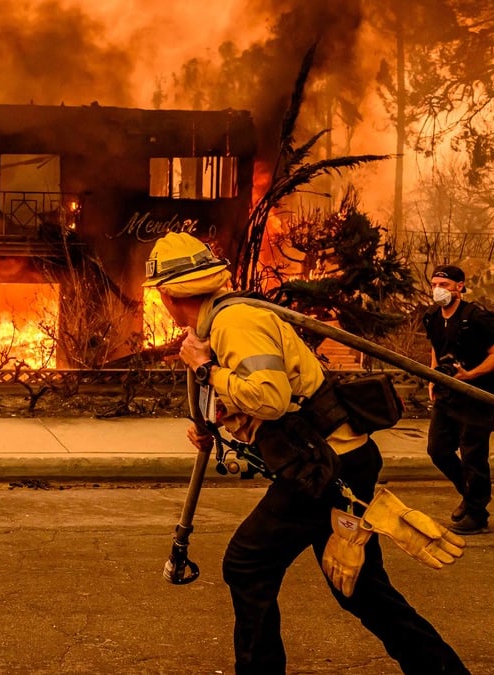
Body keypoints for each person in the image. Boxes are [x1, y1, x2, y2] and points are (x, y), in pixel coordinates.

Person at [144, 232, 468, 675]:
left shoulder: (233, 322)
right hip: (334, 460)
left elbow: (270, 398)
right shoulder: (221, 322)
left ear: (166, 294)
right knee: (359, 590)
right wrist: (213, 424)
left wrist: (205, 368)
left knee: (247, 563)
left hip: (325, 466)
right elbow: (257, 397)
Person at [422, 264, 494, 535]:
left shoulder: (477, 317)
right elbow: (437, 349)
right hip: (446, 394)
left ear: (460, 286)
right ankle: (471, 498)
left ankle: (477, 514)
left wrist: (470, 375)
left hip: (477, 396)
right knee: (438, 450)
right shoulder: (433, 316)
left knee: (473, 455)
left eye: (444, 285)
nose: (438, 290)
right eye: (435, 284)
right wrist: (432, 378)